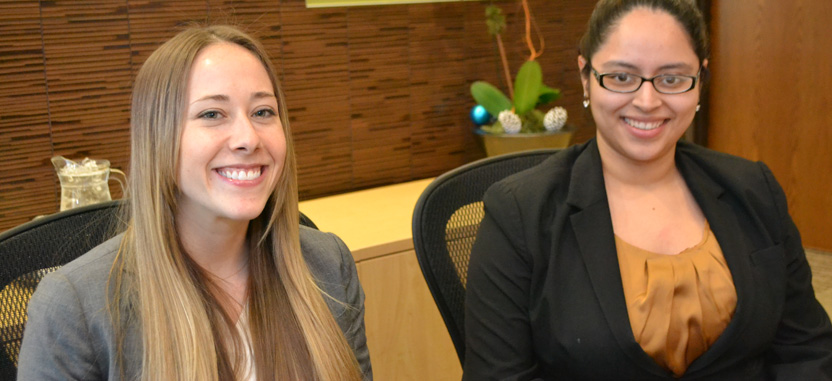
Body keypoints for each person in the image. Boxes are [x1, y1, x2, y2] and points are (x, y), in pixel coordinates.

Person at [463, 0, 832, 380]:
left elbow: (806, 349)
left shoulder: (753, 189)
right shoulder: (519, 214)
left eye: (672, 79)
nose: (647, 101)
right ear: (586, 75)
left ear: (700, 80)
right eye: (622, 77)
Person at [18, 25, 372, 380]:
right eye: (212, 114)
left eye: (263, 112)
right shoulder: (73, 308)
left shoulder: (328, 265)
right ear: (159, 138)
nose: (248, 138)